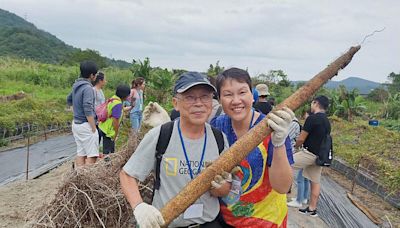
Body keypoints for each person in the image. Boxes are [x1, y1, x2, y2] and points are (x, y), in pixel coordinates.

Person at [120, 72, 231, 228]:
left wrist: (220, 188)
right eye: (190, 97)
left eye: (205, 97)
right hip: (168, 223)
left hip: (207, 223)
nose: (198, 103)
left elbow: (226, 188)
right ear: (175, 103)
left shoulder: (219, 139)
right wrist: (139, 206)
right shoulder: (161, 135)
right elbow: (127, 175)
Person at [211, 68, 294, 227]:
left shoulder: (272, 128)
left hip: (266, 220)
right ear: (220, 98)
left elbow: (283, 187)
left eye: (242, 92)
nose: (236, 100)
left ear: (252, 95)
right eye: (228, 94)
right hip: (226, 218)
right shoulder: (217, 126)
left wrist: (279, 143)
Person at [294, 96, 331, 217]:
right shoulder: (327, 121)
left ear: (316, 103)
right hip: (319, 157)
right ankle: (312, 208)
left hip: (308, 153)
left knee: (284, 163)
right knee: (315, 182)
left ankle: (275, 195)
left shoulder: (312, 119)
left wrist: (296, 146)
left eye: (312, 103)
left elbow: (301, 138)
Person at [67, 60, 99, 167]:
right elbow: (87, 108)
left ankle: (79, 177)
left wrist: (76, 112)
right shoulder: (88, 88)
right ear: (91, 75)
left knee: (81, 153)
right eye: (95, 74)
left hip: (76, 124)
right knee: (92, 156)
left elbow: (69, 99)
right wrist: (93, 127)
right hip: (86, 125)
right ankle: (87, 179)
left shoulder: (76, 85)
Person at [287, 111, 311, 208]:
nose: (304, 116)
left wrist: (297, 146)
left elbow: (288, 136)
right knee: (305, 177)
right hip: (309, 153)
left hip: (304, 153)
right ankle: (304, 197)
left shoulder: (294, 124)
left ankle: (299, 201)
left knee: (300, 178)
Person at [98, 85, 131, 155]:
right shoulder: (118, 104)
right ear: (124, 95)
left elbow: (120, 110)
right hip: (109, 130)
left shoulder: (114, 99)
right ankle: (107, 164)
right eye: (128, 95)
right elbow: (115, 121)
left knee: (107, 149)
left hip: (103, 126)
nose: (129, 96)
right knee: (108, 152)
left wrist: (131, 107)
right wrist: (115, 134)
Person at [93, 72, 107, 145]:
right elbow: (93, 105)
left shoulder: (100, 90)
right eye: (105, 79)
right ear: (100, 81)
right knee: (96, 139)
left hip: (101, 119)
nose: (106, 81)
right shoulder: (93, 90)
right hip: (96, 119)